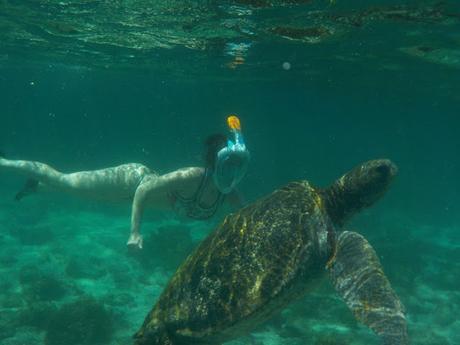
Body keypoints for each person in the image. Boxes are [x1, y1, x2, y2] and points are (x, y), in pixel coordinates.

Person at [0, 115, 250, 249]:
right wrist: (135, 233)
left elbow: (249, 220)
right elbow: (143, 190)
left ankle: (36, 187)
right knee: (66, 182)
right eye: (227, 166)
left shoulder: (231, 194)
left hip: (131, 199)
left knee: (81, 195)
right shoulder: (191, 176)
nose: (231, 173)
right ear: (214, 163)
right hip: (131, 181)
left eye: (236, 167)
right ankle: (4, 162)